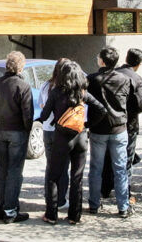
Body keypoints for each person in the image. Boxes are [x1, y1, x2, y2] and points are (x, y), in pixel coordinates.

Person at [39, 61, 107, 225]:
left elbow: (45, 115)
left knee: (54, 176)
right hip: (81, 137)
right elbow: (102, 109)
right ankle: (74, 217)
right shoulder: (83, 93)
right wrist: (88, 124)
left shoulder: (56, 92)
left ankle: (51, 215)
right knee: (77, 178)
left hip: (62, 137)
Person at [86, 47, 132, 217]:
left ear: (102, 61)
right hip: (119, 127)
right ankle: (123, 207)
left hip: (98, 128)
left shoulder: (92, 79)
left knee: (96, 167)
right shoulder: (124, 79)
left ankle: (94, 204)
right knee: (120, 168)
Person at [0, 51, 33, 224]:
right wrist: (27, 131)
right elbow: (28, 114)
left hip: (0, 129)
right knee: (14, 172)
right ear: (21, 66)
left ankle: (1, 207)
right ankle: (10, 210)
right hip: (17, 131)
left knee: (2, 170)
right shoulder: (23, 86)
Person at [102, 49, 142, 203]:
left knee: (108, 156)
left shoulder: (112, 73)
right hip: (130, 123)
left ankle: (105, 189)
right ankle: (125, 193)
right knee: (126, 158)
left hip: (110, 121)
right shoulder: (137, 79)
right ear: (139, 64)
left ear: (126, 58)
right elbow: (141, 105)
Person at [38, 58, 71, 211]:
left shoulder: (46, 85)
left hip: (47, 130)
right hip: (62, 131)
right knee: (63, 167)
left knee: (50, 166)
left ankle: (49, 196)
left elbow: (41, 105)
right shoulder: (68, 88)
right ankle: (61, 199)